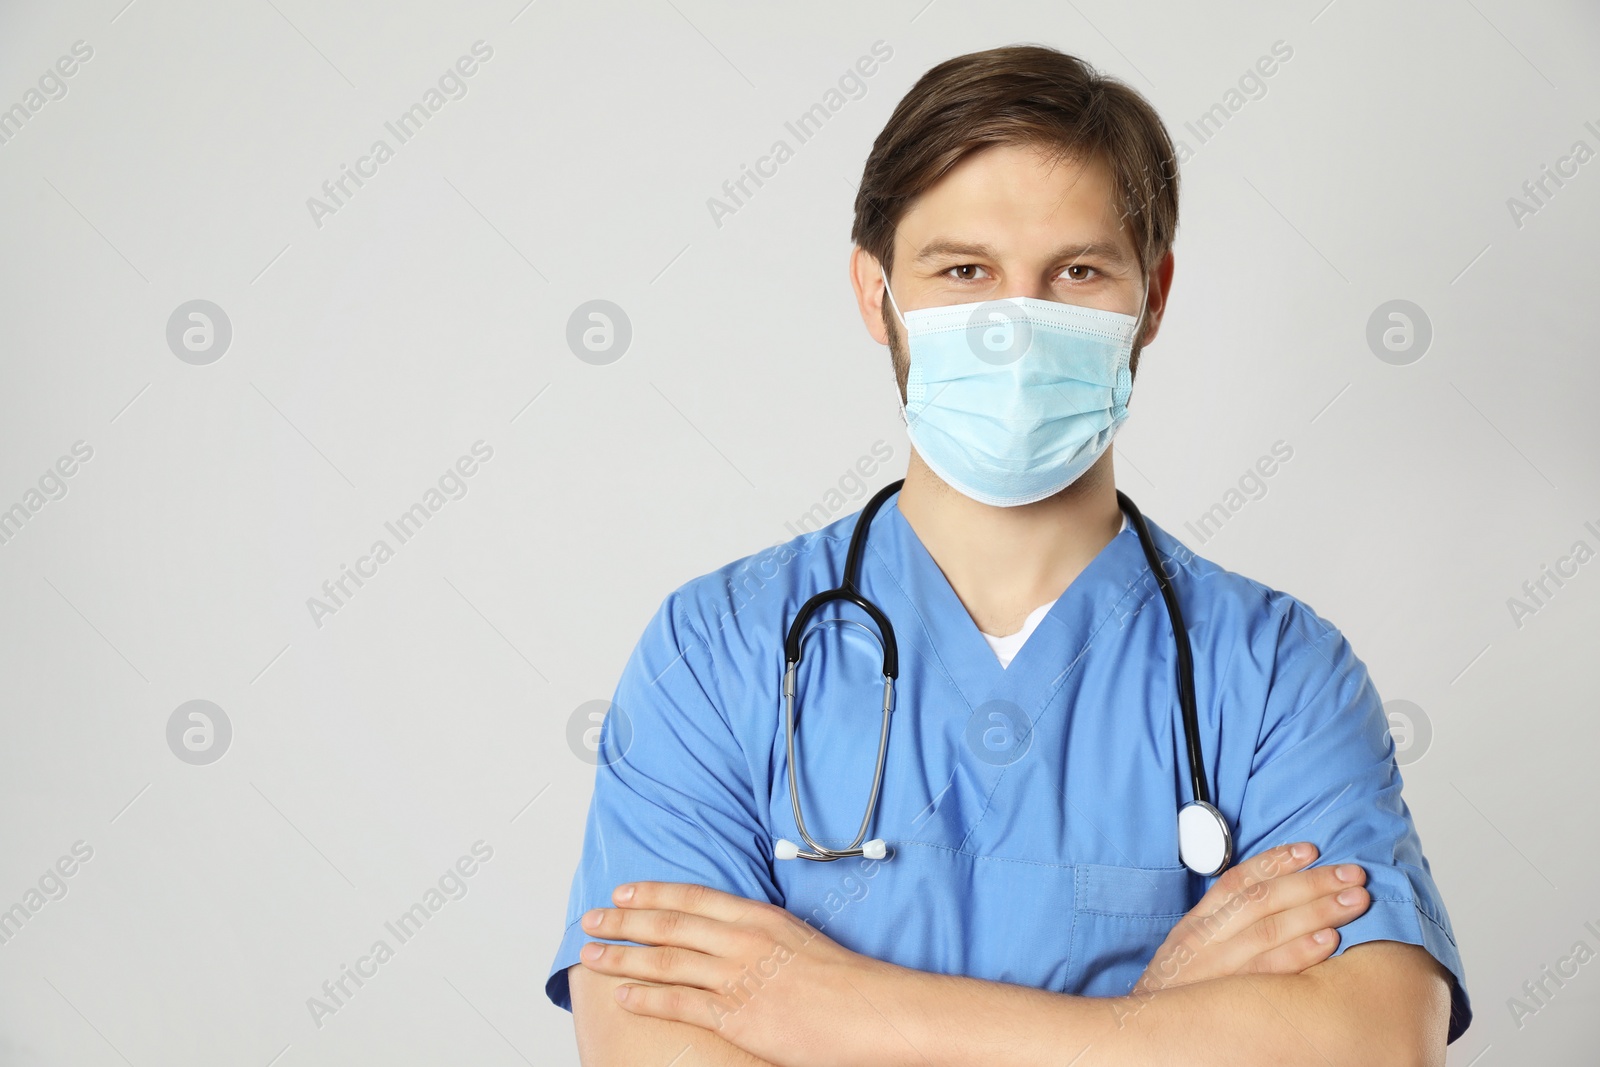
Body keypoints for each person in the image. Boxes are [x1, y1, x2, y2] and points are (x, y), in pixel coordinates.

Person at [547, 44, 1471, 1066]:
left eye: (1075, 272)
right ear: (875, 294)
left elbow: (1376, 1045)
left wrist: (827, 1008)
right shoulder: (716, 653)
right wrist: (1152, 1018)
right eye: (963, 271)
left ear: (1150, 299)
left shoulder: (1276, 672)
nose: (1013, 328)